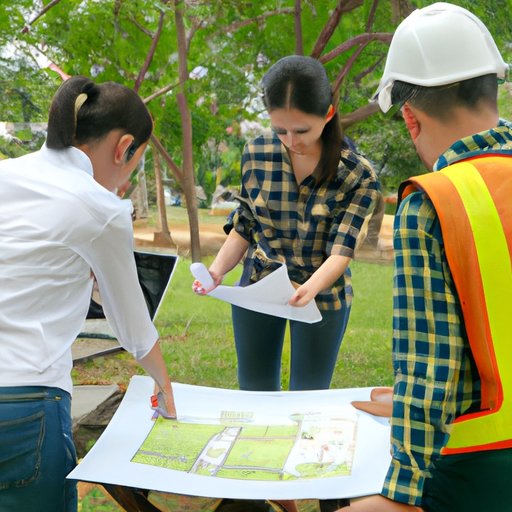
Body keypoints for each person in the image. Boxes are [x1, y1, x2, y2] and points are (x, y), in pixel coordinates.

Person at [341, 3, 512, 511]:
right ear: (493, 87)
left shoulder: (433, 203)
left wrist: (401, 493)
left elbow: (430, 366)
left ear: (410, 118)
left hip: (479, 473)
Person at [0, 76, 177, 512]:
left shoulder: (7, 173)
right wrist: (164, 383)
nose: (124, 182)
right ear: (124, 148)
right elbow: (133, 326)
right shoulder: (101, 208)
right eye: (133, 167)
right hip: (24, 402)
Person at [194, 55, 380, 396]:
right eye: (281, 130)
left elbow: (342, 249)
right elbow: (246, 223)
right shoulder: (257, 153)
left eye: (301, 130)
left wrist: (309, 288)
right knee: (254, 390)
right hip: (258, 285)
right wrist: (217, 271)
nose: (291, 140)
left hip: (322, 294)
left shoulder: (356, 174)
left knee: (308, 397)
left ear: (328, 114)